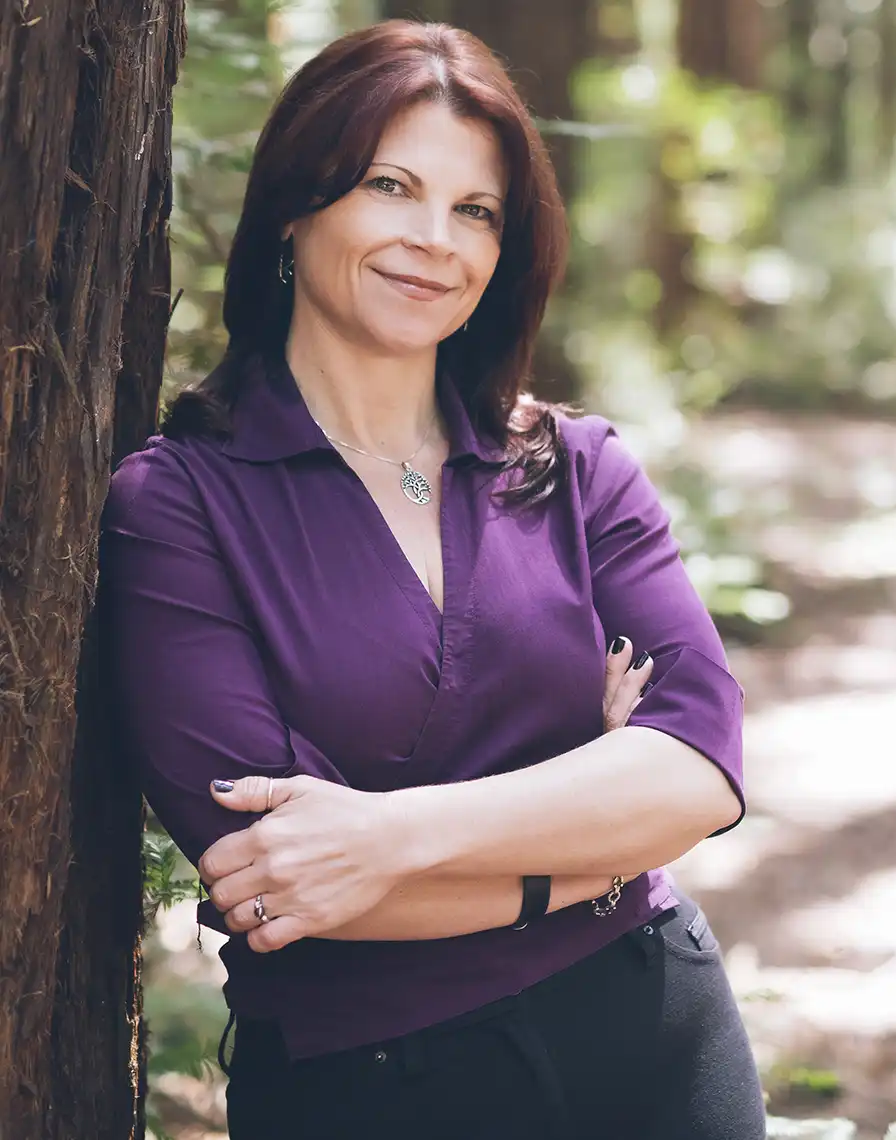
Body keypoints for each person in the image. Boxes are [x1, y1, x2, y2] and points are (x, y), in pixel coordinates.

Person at [99, 18, 767, 1140]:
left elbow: (700, 766)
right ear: (295, 208)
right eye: (389, 186)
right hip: (368, 1082)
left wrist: (389, 837)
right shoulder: (179, 505)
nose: (434, 239)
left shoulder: (576, 467)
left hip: (651, 1026)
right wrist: (594, 836)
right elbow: (274, 882)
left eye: (475, 211)